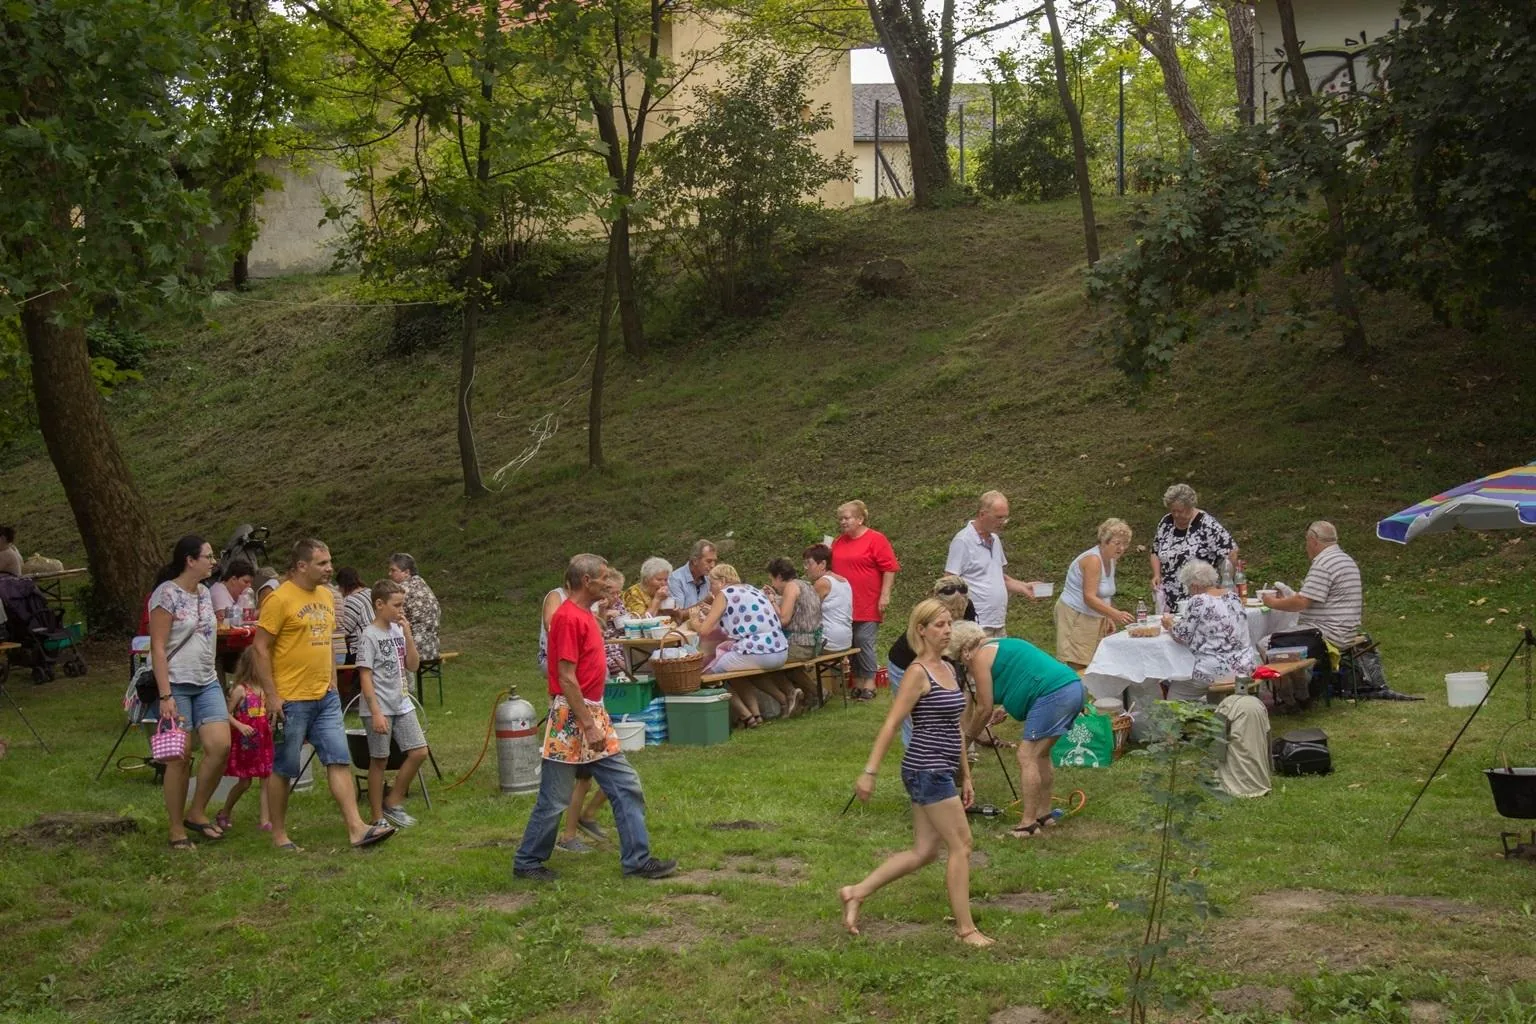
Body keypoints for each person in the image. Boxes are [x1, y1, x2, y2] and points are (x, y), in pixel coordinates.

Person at [514, 553, 676, 882]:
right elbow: (566, 676)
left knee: (625, 785)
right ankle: (528, 861)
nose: (608, 581)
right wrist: (587, 723)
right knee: (556, 797)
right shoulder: (568, 617)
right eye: (603, 577)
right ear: (586, 581)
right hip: (573, 717)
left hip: (592, 712)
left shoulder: (586, 613)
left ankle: (637, 861)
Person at [840, 600, 992, 947]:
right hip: (925, 769)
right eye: (939, 624)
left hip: (943, 768)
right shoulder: (917, 673)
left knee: (924, 852)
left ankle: (856, 892)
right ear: (920, 630)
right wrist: (869, 772)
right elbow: (892, 723)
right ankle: (965, 930)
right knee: (962, 845)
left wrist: (965, 774)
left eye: (949, 623)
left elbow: (956, 726)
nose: (947, 630)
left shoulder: (949, 669)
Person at [256, 539, 395, 852]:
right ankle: (279, 834)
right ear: (302, 566)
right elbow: (260, 648)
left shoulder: (327, 596)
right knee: (284, 767)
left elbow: (328, 640)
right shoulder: (279, 600)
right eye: (322, 563)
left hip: (326, 697)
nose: (330, 568)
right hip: (290, 698)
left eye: (330, 561)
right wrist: (271, 695)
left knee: (338, 759)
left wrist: (333, 679)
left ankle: (357, 828)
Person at [951, 621, 1084, 840]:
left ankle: (1028, 824)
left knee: (1026, 755)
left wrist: (967, 738)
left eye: (959, 658)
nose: (963, 664)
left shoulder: (980, 657)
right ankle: (1045, 814)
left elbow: (983, 708)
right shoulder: (1004, 644)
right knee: (1040, 754)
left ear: (964, 650)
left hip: (1055, 694)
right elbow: (1027, 674)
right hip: (1072, 687)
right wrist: (1005, 708)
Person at [147, 535, 232, 850]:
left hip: (207, 681)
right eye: (208, 556)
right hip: (176, 684)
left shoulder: (206, 593)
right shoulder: (165, 595)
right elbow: (157, 646)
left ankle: (196, 811)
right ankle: (175, 828)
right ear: (189, 560)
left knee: (220, 746)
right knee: (179, 758)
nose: (213, 561)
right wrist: (166, 695)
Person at [1262, 521, 1363, 707]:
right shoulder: (1344, 559)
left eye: (1307, 541)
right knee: (1285, 640)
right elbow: (1311, 598)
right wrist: (1290, 596)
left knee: (1267, 644)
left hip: (1327, 633)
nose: (1306, 546)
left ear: (1313, 540)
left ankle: (1292, 698)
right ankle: (1301, 692)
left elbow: (1301, 603)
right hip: (1345, 630)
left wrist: (1272, 602)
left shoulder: (1324, 563)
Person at [357, 578, 428, 830]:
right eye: (396, 605)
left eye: (403, 605)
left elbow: (413, 665)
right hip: (380, 707)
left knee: (419, 751)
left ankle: (393, 801)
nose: (401, 610)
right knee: (380, 760)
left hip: (402, 703)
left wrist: (407, 634)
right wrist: (375, 712)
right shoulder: (369, 636)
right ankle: (377, 816)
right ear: (379, 604)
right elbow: (364, 676)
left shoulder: (398, 630)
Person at [696, 564, 792, 727]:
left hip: (758, 652)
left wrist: (693, 622)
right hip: (780, 650)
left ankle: (746, 716)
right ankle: (761, 713)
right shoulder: (752, 590)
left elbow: (704, 631)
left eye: (711, 583)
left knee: (706, 676)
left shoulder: (725, 593)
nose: (710, 589)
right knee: (735, 672)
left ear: (722, 581)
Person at [886, 575, 975, 747]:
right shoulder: (927, 614)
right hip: (905, 664)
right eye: (951, 609)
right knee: (913, 718)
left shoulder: (968, 607)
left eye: (960, 610)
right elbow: (930, 653)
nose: (956, 615)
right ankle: (916, 759)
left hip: (940, 663)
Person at [945, 491, 1046, 637]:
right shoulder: (963, 541)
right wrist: (957, 618)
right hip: (975, 624)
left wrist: (1024, 587)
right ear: (982, 514)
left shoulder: (995, 539)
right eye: (999, 517)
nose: (1003, 522)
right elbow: (948, 582)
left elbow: (998, 577)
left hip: (998, 622)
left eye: (1005, 517)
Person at [830, 500, 900, 701]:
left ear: (860, 519)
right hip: (844, 604)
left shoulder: (875, 539)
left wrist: (885, 595)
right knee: (850, 641)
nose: (843, 522)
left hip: (868, 600)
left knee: (863, 640)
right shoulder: (838, 542)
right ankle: (857, 682)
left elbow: (889, 568)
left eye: (847, 518)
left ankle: (870, 682)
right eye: (840, 519)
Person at [1163, 560, 1256, 702]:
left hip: (1214, 670)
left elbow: (1181, 635)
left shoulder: (1199, 600)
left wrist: (1169, 624)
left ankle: (1176, 721)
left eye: (1188, 587)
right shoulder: (1234, 597)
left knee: (1176, 692)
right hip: (1245, 666)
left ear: (1194, 586)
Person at [1056, 518, 1136, 671]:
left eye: (1125, 544)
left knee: (1096, 660)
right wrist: (1116, 614)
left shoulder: (1111, 560)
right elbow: (1089, 597)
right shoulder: (1093, 560)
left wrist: (1107, 616)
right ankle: (1077, 692)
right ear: (1105, 541)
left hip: (1094, 614)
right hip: (1076, 614)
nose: (1121, 548)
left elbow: (1105, 593)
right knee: (1079, 661)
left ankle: (1091, 692)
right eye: (1117, 543)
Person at [1151, 484, 1238, 612]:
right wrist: (1156, 574)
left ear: (1190, 507)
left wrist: (1225, 581)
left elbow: (1231, 551)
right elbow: (1155, 551)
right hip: (1169, 597)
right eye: (1172, 510)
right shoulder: (1166, 523)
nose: (1176, 515)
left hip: (1200, 596)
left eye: (1180, 511)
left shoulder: (1207, 524)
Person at [212, 648, 273, 834]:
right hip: (246, 742)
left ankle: (265, 821)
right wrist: (239, 725)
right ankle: (225, 812)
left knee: (266, 779)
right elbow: (225, 713)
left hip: (264, 740)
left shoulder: (265, 689)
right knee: (245, 782)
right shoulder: (240, 690)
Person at [764, 557, 820, 713]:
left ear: (780, 577)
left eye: (772, 579)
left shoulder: (791, 587)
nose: (773, 584)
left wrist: (771, 602)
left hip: (799, 644)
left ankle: (793, 694)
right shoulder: (806, 585)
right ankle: (813, 693)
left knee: (768, 661)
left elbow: (784, 620)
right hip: (813, 642)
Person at [387, 553, 441, 662]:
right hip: (432, 649)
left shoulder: (402, 590)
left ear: (406, 572)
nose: (389, 574)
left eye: (393, 570)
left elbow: (390, 619)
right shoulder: (421, 584)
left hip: (414, 650)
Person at [803, 544, 852, 652]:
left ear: (823, 564)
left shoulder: (822, 583)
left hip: (829, 640)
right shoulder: (844, 580)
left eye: (809, 564)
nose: (806, 568)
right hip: (846, 638)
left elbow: (806, 612)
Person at [666, 540, 717, 612]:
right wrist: (704, 603)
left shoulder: (709, 578)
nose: (713, 565)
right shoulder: (675, 579)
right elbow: (678, 616)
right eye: (709, 561)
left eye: (715, 561)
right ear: (695, 561)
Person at [335, 567, 374, 649]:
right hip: (374, 640)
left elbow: (344, 630)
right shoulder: (369, 592)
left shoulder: (351, 600)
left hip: (360, 647)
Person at [210, 560, 255, 624]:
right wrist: (258, 613)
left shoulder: (237, 593)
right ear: (233, 579)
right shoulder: (218, 592)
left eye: (250, 583)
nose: (249, 586)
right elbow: (226, 620)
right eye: (246, 582)